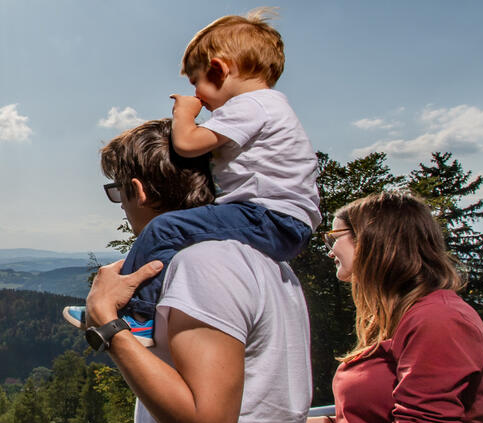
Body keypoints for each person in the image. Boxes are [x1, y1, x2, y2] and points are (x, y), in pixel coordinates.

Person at [84, 119, 314, 423]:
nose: (121, 204)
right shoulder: (267, 263)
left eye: (117, 191)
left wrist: (106, 322)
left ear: (136, 190)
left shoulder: (203, 264)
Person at [65, 8, 320, 345]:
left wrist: (109, 324)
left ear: (219, 69)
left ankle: (138, 316)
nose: (199, 96)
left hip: (271, 217)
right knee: (171, 235)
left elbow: (187, 144)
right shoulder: (259, 265)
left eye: (196, 81)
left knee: (163, 230)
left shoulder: (253, 106)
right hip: (283, 221)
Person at [303, 191, 483, 423]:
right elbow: (377, 422)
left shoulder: (439, 321)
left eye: (334, 237)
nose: (329, 250)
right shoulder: (404, 319)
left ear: (372, 240)